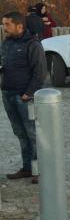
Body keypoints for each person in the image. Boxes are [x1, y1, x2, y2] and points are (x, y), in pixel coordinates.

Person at [1, 11, 47, 184]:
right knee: (20, 133)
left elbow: (40, 73)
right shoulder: (7, 43)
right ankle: (27, 168)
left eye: (7, 24)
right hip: (8, 95)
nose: (4, 28)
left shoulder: (32, 45)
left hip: (25, 98)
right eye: (3, 24)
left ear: (19, 26)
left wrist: (28, 94)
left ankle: (39, 170)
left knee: (32, 133)